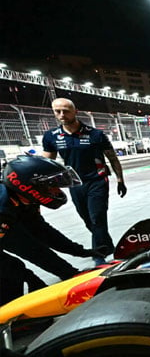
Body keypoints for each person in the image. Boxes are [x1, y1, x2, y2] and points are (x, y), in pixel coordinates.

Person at [0, 155, 96, 304]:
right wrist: (70, 273)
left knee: (17, 272)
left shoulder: (23, 200)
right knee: (11, 271)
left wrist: (80, 251)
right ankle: (6, 321)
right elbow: (29, 248)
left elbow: (41, 231)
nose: (57, 191)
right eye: (51, 185)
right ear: (27, 185)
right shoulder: (3, 210)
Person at [42, 97, 127, 265]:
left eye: (65, 111)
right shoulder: (51, 137)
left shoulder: (96, 134)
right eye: (57, 111)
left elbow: (113, 158)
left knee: (97, 218)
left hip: (97, 181)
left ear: (75, 111)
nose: (61, 115)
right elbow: (46, 164)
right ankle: (107, 245)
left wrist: (120, 180)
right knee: (88, 220)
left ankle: (99, 255)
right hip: (75, 184)